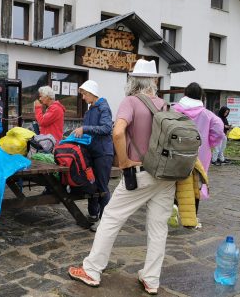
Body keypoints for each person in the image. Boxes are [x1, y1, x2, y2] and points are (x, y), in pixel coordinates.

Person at [68, 59, 175, 295]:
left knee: (111, 219)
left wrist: (124, 161)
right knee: (158, 229)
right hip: (166, 176)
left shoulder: (131, 101)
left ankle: (92, 270)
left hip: (140, 173)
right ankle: (151, 279)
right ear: (153, 82)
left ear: (132, 81)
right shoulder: (164, 106)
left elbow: (117, 130)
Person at [172, 83, 225, 228]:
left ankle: (174, 207)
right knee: (195, 185)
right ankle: (192, 219)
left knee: (174, 181)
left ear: (185, 94)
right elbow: (219, 130)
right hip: (199, 155)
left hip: (175, 151)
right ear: (201, 96)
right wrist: (211, 143)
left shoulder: (173, 110)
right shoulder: (207, 115)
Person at [72, 80, 114, 232]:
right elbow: (89, 132)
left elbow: (106, 128)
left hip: (103, 153)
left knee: (102, 187)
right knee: (92, 185)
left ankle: (105, 222)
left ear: (91, 93)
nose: (83, 98)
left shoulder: (103, 107)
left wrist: (84, 128)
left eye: (84, 94)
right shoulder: (90, 109)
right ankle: (93, 215)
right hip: (92, 152)